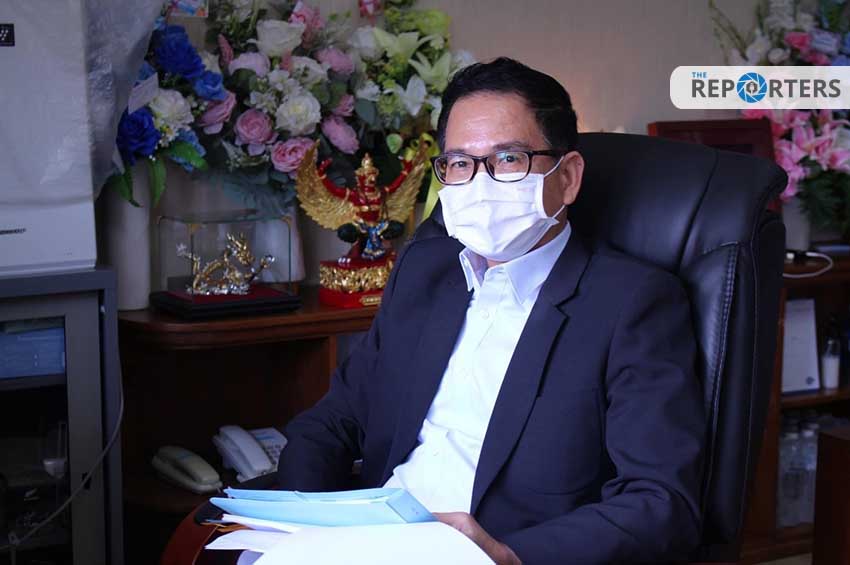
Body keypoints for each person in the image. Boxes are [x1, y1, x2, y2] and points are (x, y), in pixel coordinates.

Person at [277, 57, 705, 564]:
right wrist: (297, 524)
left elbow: (660, 502)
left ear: (568, 177)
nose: (480, 184)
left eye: (508, 159)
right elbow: (333, 422)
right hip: (369, 542)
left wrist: (508, 555)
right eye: (460, 163)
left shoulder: (633, 303)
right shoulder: (424, 271)